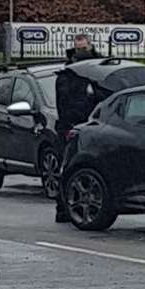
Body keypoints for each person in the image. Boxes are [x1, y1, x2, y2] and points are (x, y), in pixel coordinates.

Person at [52, 61, 103, 222]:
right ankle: (64, 208)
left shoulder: (97, 76)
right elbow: (66, 105)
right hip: (73, 127)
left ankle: (71, 206)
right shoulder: (67, 78)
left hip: (90, 127)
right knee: (69, 167)